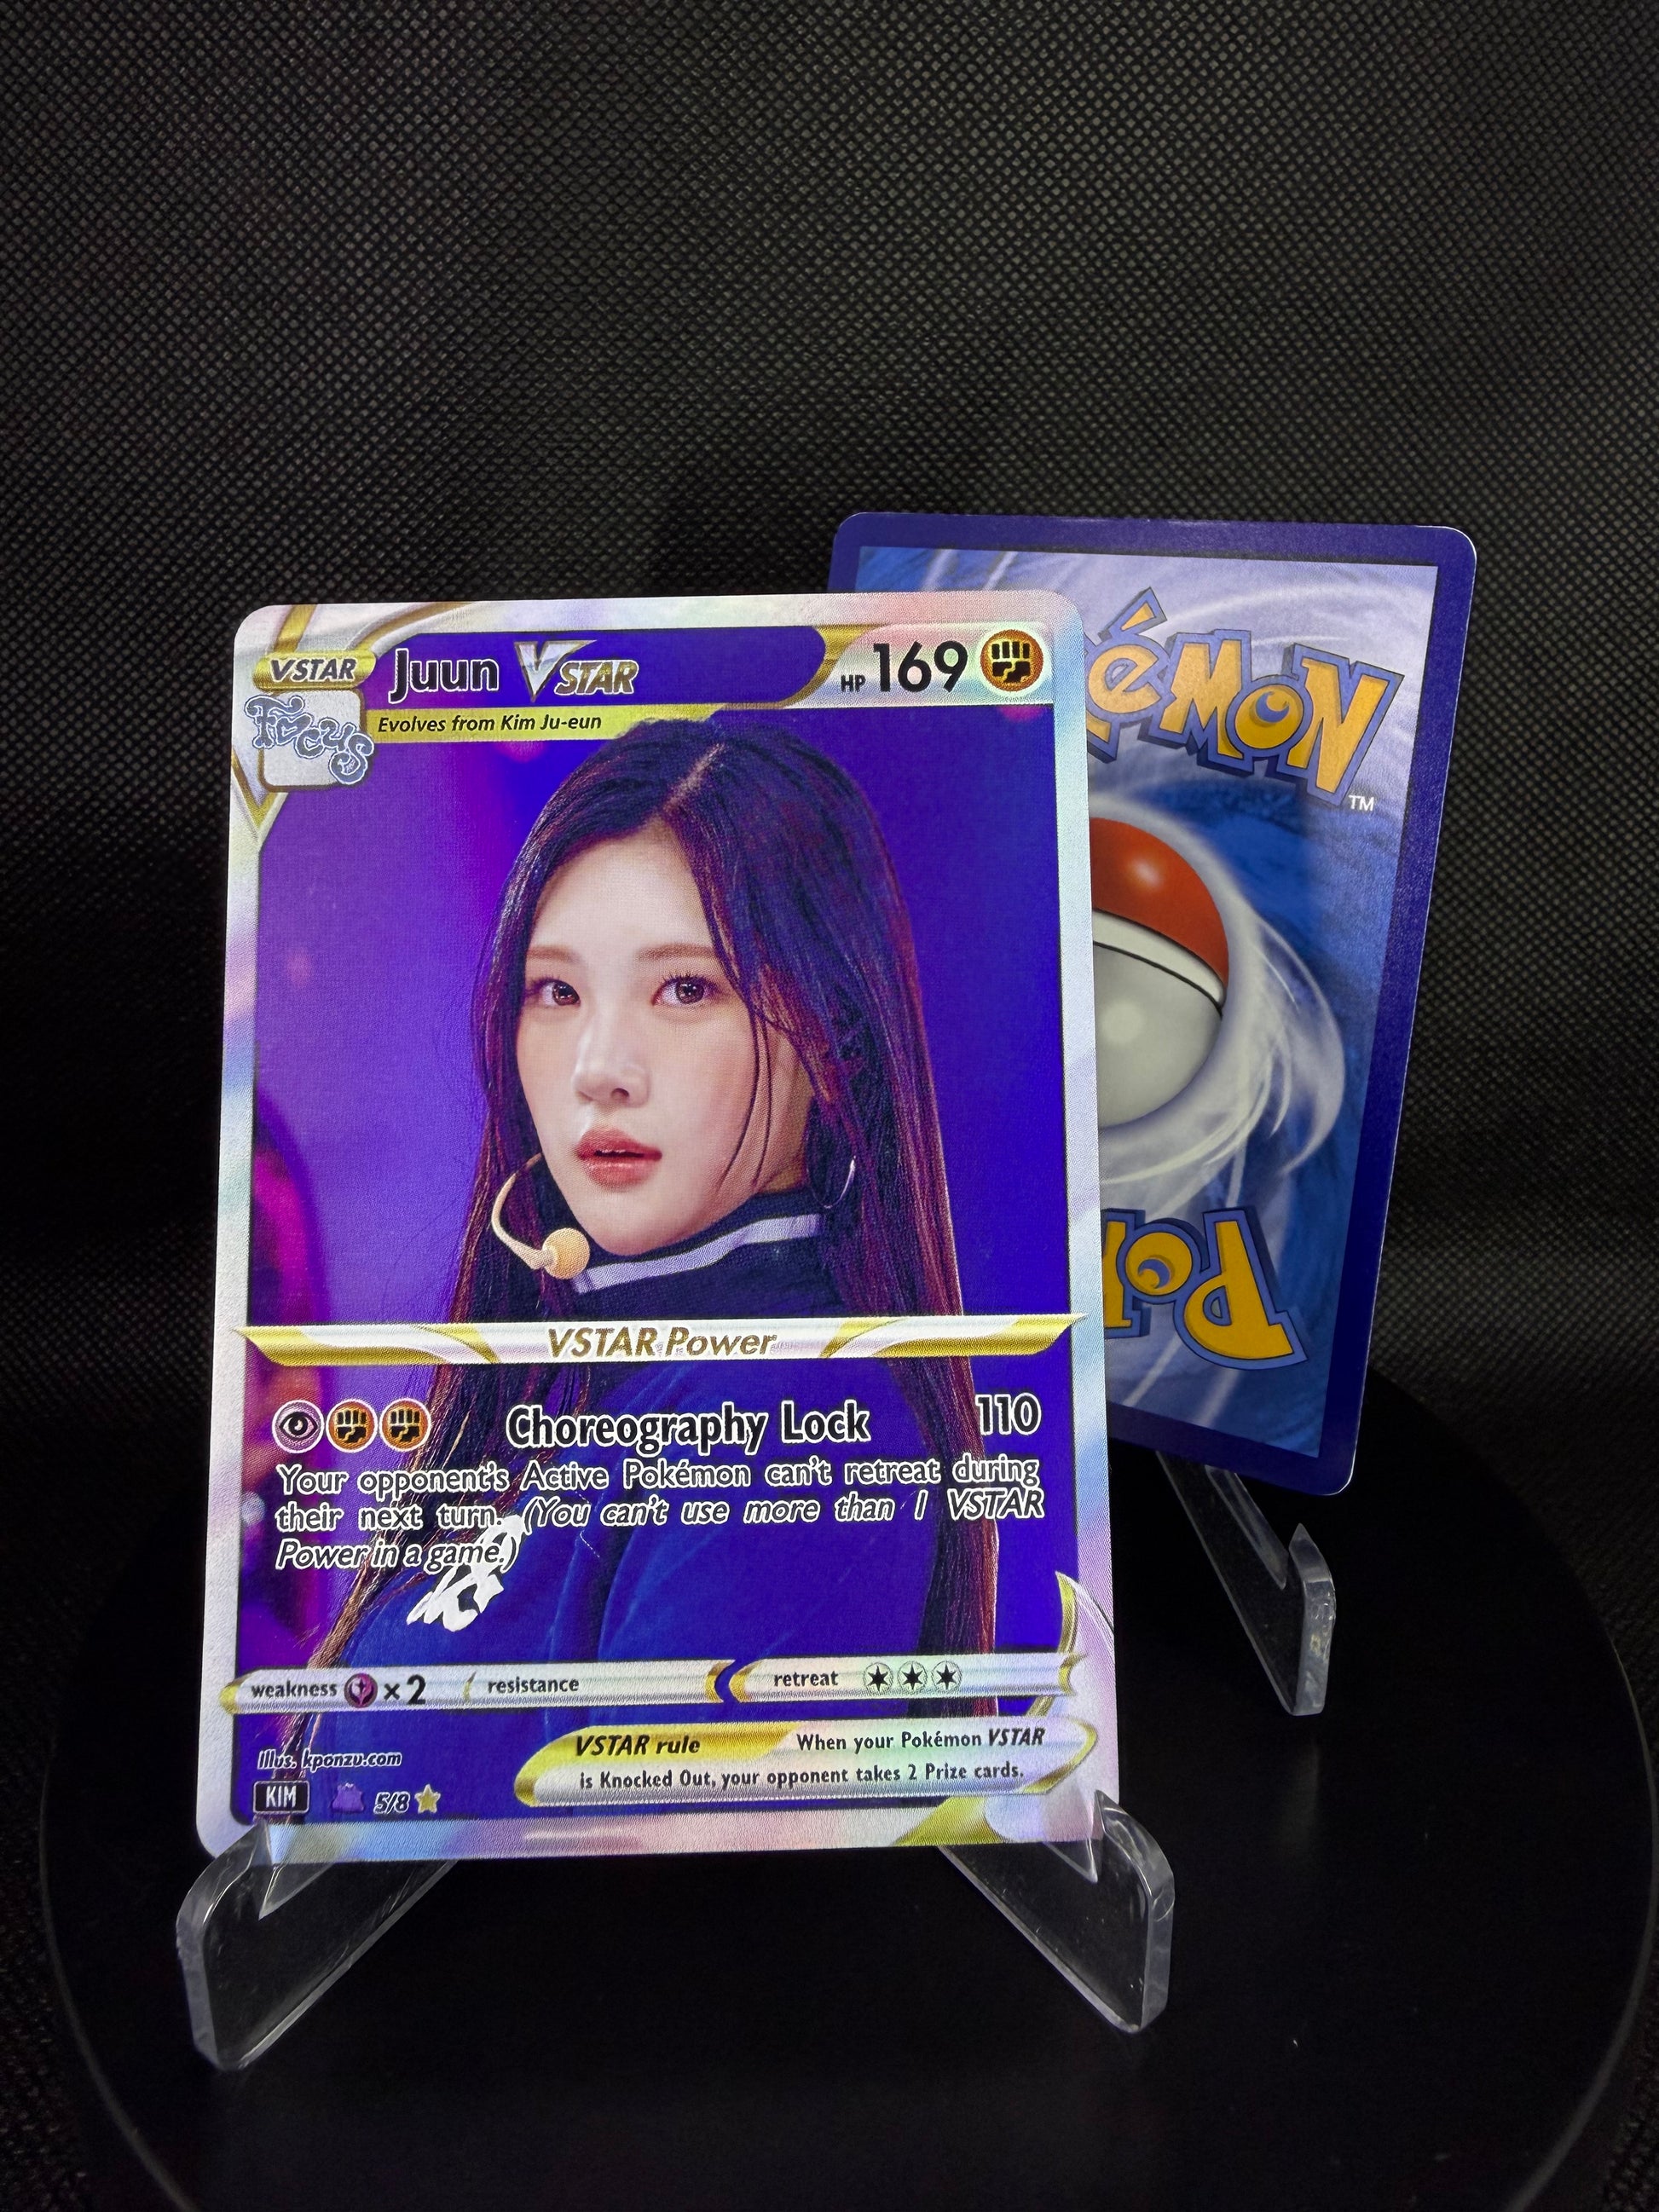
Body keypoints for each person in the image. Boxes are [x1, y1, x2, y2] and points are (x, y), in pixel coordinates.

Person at [292, 721, 994, 1808]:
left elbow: (664, 1891)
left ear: (833, 1040)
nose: (598, 1069)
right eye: (555, 991)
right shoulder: (568, 1390)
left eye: (685, 990)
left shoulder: (793, 1425)